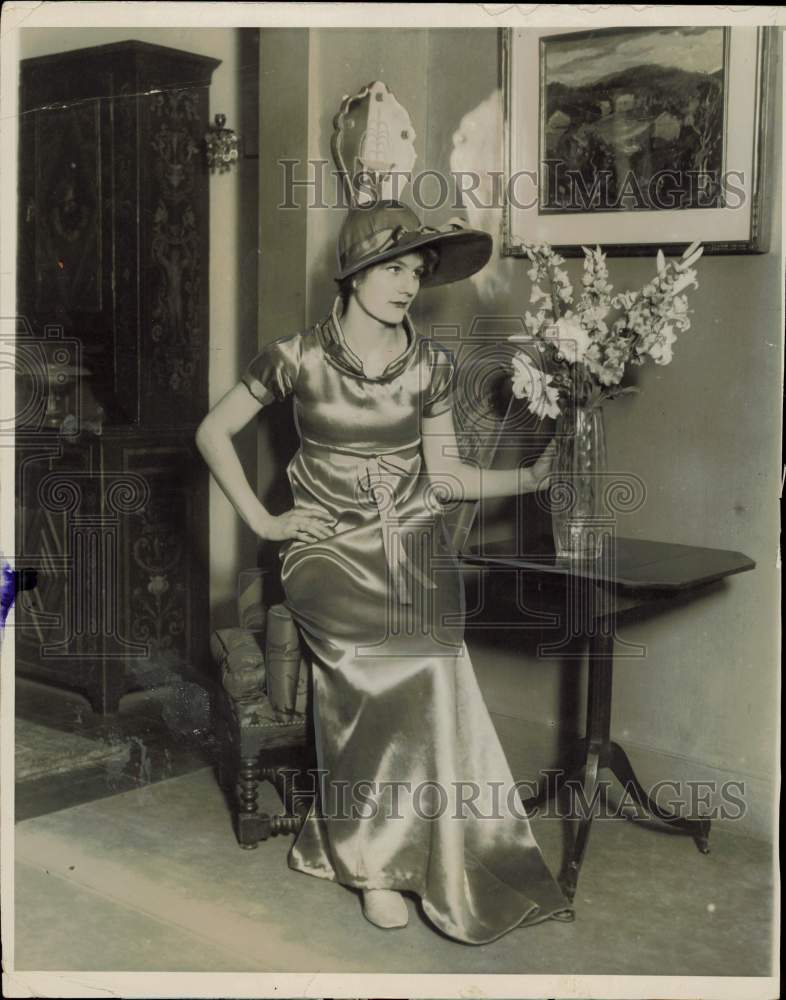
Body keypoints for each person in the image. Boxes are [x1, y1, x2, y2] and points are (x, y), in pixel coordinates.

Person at [195, 199, 571, 944]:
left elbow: (448, 475)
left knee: (431, 660)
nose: (407, 284)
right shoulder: (294, 355)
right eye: (392, 267)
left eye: (416, 272)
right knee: (380, 661)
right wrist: (266, 522)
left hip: (412, 544)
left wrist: (529, 482)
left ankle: (426, 851)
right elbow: (212, 430)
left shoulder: (431, 364)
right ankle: (373, 864)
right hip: (325, 551)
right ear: (354, 270)